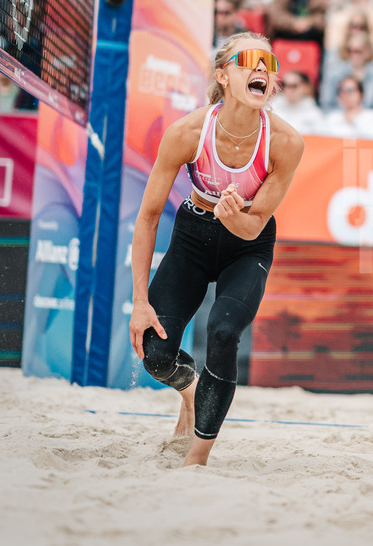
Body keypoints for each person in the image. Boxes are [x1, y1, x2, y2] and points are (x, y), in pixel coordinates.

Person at [130, 33, 304, 467]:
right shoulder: (188, 132)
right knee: (155, 354)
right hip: (193, 234)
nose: (261, 67)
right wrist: (138, 302)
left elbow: (253, 225)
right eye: (249, 60)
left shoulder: (285, 142)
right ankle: (191, 393)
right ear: (223, 75)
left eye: (268, 61)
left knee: (223, 333)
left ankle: (197, 459)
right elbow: (149, 217)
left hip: (247, 244)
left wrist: (233, 218)